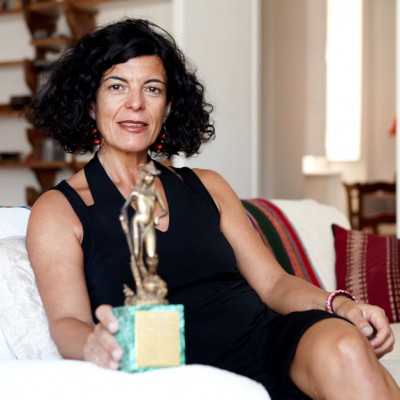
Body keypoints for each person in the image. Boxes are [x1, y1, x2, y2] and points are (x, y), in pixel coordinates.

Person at [24, 18, 399, 399]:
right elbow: (67, 321)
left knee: (347, 346)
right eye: (117, 86)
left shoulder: (208, 186)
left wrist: (341, 305)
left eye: (152, 89)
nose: (135, 103)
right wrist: (93, 345)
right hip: (183, 375)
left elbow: (273, 283)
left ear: (168, 107)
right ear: (91, 103)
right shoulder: (60, 210)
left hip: (269, 342)